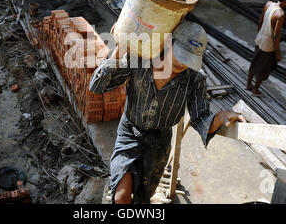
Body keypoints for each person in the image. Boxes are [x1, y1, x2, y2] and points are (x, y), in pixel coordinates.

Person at [89, 20, 246, 204]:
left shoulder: (194, 79)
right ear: (168, 43)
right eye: (179, 55)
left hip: (159, 143)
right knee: (121, 197)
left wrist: (219, 117)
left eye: (189, 60)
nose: (182, 63)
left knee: (144, 196)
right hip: (130, 134)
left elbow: (200, 118)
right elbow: (97, 85)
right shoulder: (140, 60)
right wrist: (119, 49)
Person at [247, 0, 286, 97]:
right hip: (268, 45)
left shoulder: (269, 4)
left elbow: (260, 22)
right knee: (263, 68)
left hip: (259, 39)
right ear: (285, 1)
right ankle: (255, 90)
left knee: (254, 62)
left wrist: (260, 34)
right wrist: (277, 54)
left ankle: (248, 84)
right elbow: (276, 36)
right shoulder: (280, 14)